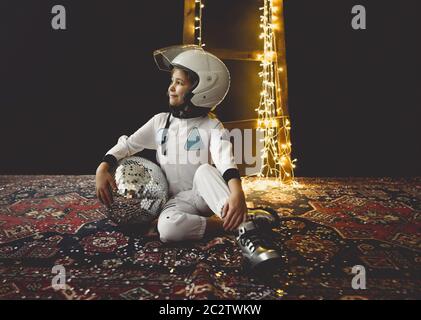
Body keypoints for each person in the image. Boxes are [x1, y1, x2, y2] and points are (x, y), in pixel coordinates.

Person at [95, 45, 281, 272]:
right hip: (177, 201)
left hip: (204, 194)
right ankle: (230, 223)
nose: (171, 88)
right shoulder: (160, 122)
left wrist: (237, 192)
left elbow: (225, 160)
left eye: (179, 83)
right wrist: (103, 167)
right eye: (172, 81)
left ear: (202, 89)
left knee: (204, 170)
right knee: (167, 230)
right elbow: (128, 144)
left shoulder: (212, 125)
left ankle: (251, 238)